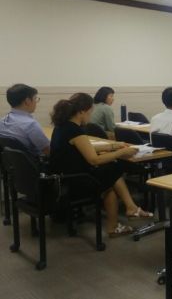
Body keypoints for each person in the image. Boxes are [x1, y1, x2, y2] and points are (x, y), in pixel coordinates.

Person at [49, 93, 152, 237]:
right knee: (112, 173)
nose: (91, 116)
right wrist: (121, 153)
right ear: (81, 112)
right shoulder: (74, 130)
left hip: (63, 177)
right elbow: (94, 160)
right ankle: (121, 219)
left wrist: (114, 146)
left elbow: (84, 148)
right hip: (74, 181)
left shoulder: (63, 127)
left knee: (110, 171)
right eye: (90, 112)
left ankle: (128, 210)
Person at [0, 84, 50, 156]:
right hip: (36, 164)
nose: (36, 102)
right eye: (35, 98)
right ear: (27, 101)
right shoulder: (31, 125)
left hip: (12, 165)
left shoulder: (2, 121)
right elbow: (48, 151)